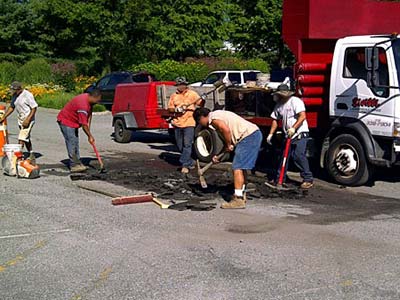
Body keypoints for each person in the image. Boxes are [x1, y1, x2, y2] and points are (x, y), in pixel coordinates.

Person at [194, 108, 262, 209]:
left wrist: (229, 144)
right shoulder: (217, 115)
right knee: (241, 167)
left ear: (203, 117)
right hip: (251, 134)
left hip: (248, 136)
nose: (202, 125)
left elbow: (225, 129)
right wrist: (219, 156)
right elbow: (226, 136)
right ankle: (241, 194)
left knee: (237, 167)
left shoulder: (213, 119)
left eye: (200, 122)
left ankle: (238, 199)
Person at [266, 84, 313, 189]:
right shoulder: (279, 105)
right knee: (284, 157)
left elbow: (302, 116)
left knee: (298, 155)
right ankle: (280, 179)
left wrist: (294, 128)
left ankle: (308, 179)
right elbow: (275, 120)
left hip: (299, 133)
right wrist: (270, 134)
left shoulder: (295, 101)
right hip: (288, 135)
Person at [57, 89, 101, 173]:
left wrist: (89, 131)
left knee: (75, 142)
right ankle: (74, 165)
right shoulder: (83, 105)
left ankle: (77, 162)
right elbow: (84, 124)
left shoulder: (88, 100)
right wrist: (89, 136)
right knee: (72, 141)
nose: (98, 102)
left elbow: (89, 115)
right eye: (98, 100)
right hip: (66, 121)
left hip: (73, 122)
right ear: (93, 97)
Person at [168, 77, 204, 174]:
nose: (181, 86)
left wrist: (203, 99)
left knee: (187, 144)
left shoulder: (192, 94)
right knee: (180, 146)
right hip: (177, 123)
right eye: (179, 85)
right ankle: (190, 161)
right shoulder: (173, 96)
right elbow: (170, 108)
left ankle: (184, 165)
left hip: (189, 122)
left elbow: (200, 104)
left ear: (185, 85)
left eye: (183, 84)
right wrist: (176, 110)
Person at [0, 81, 38, 163]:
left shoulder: (27, 95)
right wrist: (4, 116)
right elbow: (12, 107)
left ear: (19, 89)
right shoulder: (15, 96)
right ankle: (31, 154)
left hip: (28, 119)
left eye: (14, 90)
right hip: (21, 119)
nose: (13, 92)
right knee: (25, 137)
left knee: (21, 138)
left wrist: (28, 119)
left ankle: (18, 157)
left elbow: (34, 108)